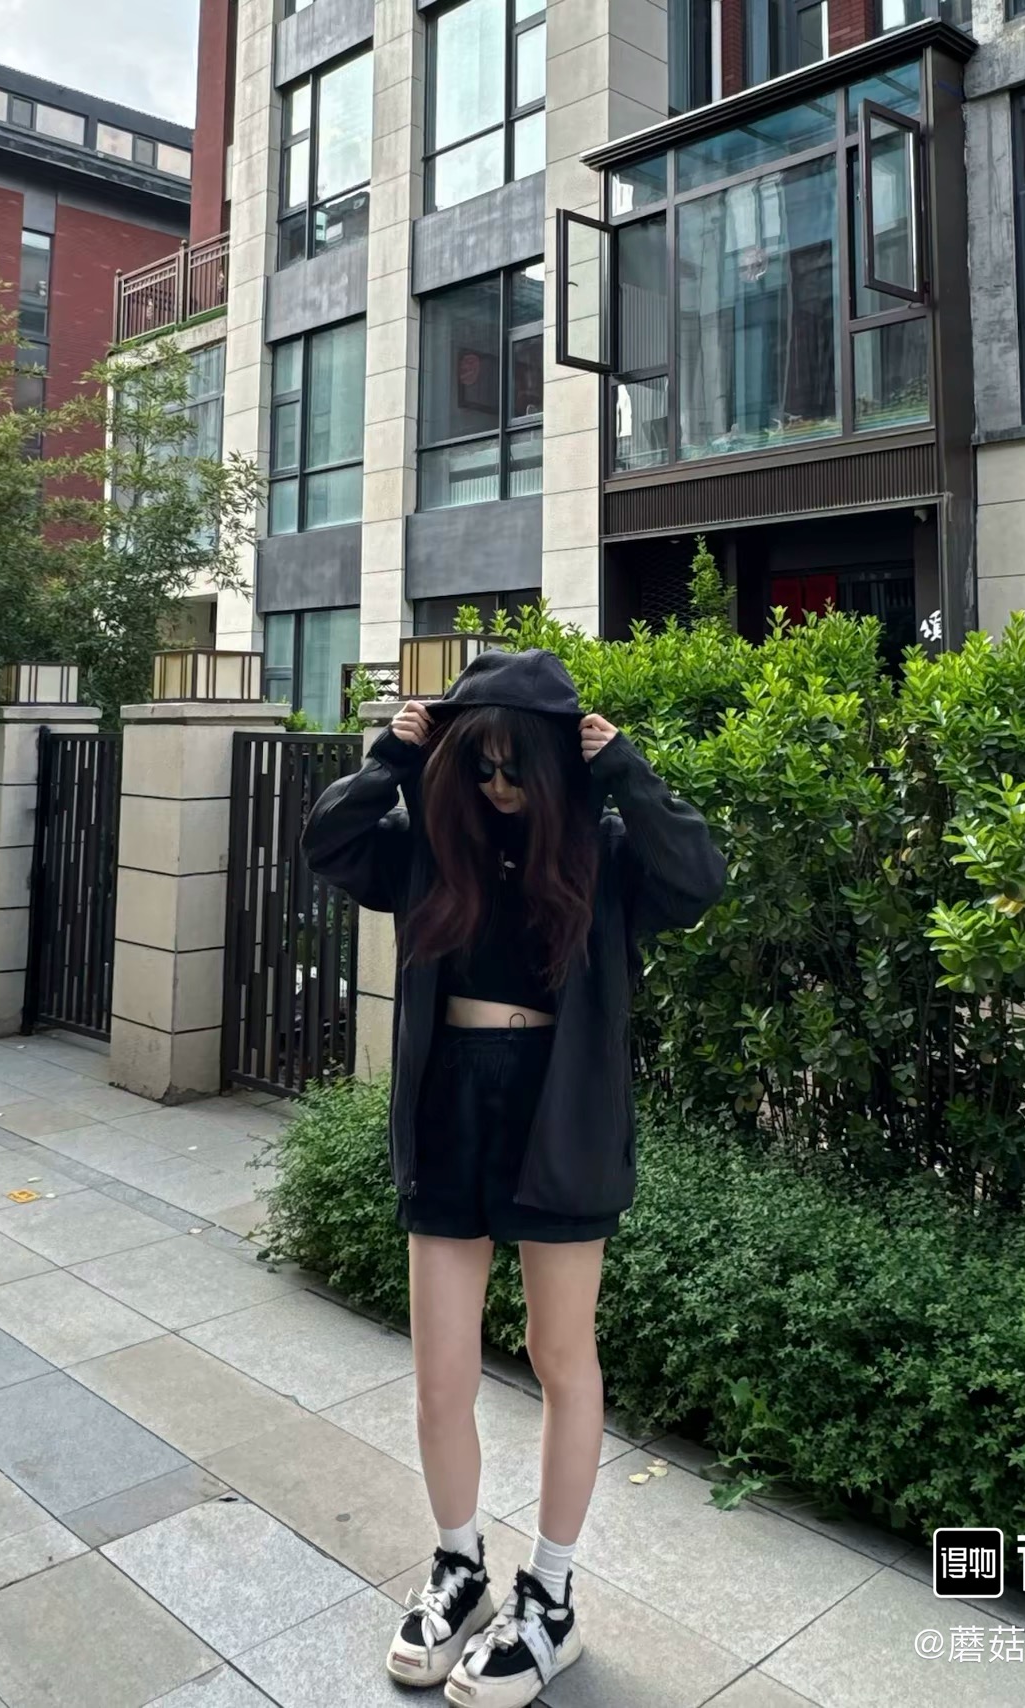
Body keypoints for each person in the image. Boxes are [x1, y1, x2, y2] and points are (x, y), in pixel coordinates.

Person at [301, 646, 727, 1707]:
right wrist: (391, 762)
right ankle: (459, 1569)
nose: (496, 787)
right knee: (440, 1368)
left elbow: (699, 877)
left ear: (551, 765)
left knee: (559, 1354)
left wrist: (626, 770)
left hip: (559, 1114)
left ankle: (551, 1597)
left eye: (514, 768)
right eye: (479, 766)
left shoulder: (603, 851)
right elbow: (328, 842)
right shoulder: (428, 846)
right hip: (449, 1106)